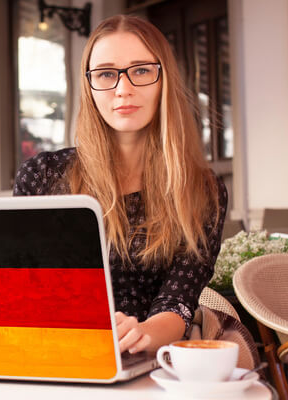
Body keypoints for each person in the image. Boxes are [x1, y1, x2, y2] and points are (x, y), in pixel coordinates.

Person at [14, 15, 227, 355]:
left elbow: (178, 303)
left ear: (164, 79)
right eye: (106, 74)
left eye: (141, 70)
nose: (123, 88)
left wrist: (142, 333)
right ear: (90, 86)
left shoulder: (202, 190)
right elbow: (22, 287)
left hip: (147, 360)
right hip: (52, 353)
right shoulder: (43, 177)